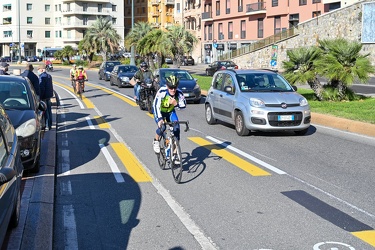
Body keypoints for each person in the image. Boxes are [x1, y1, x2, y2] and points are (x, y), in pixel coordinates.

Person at [152, 75, 186, 157]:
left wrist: (176, 104)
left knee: (176, 129)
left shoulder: (179, 93)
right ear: (167, 86)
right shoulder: (162, 92)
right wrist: (160, 119)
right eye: (171, 88)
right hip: (160, 111)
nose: (173, 90)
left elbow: (183, 105)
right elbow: (156, 105)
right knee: (162, 127)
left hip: (170, 112)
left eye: (175, 87)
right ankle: (156, 141)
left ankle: (174, 154)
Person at [38, 64, 54, 130]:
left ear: (41, 69)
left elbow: (41, 87)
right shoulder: (49, 76)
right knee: (49, 110)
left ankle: (46, 125)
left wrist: (40, 97)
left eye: (38, 69)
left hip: (44, 96)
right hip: (49, 95)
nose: (38, 71)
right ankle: (50, 124)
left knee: (45, 111)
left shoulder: (42, 77)